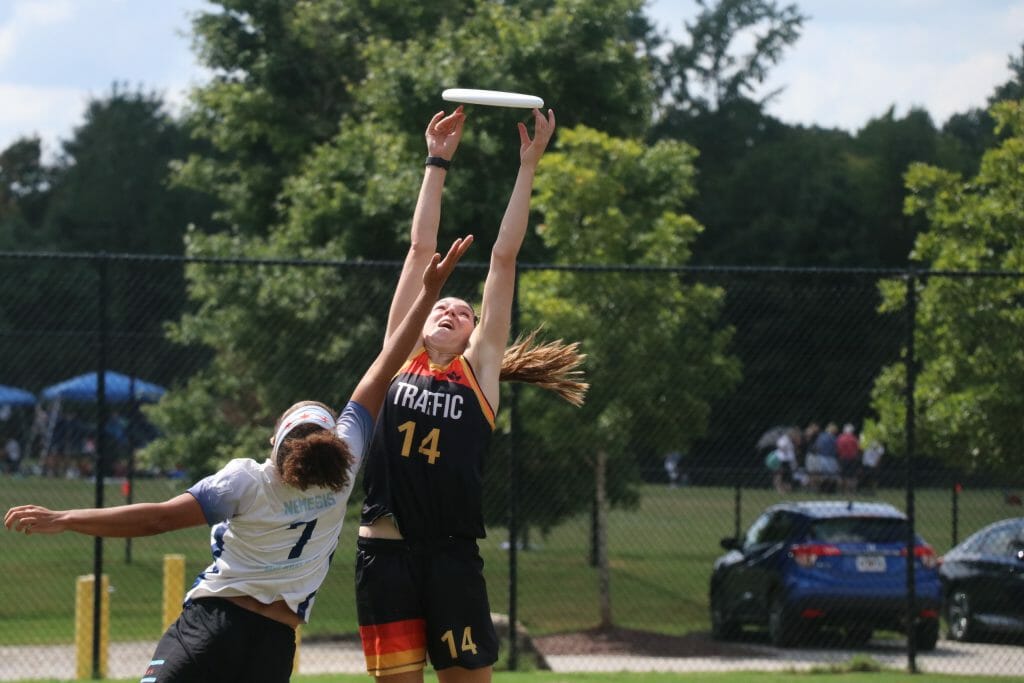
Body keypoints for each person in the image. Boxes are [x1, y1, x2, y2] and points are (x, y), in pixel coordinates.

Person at [4, 236, 472, 683]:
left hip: (213, 624)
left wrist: (65, 516)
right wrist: (428, 290)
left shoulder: (247, 481)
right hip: (274, 645)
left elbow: (155, 521)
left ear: (275, 439)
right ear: (333, 442)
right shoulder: (343, 474)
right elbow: (385, 364)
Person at [355, 107, 587, 683]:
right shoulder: (399, 355)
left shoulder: (477, 375)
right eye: (439, 306)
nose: (448, 309)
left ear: (473, 333)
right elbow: (419, 250)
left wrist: (528, 166)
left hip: (451, 557)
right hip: (384, 557)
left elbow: (503, 259)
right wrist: (436, 161)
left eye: (462, 311)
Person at [836, 422, 861, 493]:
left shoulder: (840, 438)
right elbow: (858, 448)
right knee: (852, 476)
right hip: (852, 459)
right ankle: (851, 491)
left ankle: (840, 490)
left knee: (841, 475)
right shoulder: (854, 439)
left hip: (842, 458)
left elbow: (838, 448)